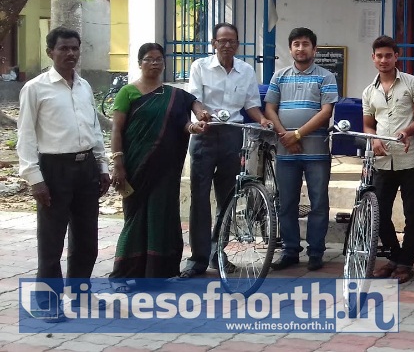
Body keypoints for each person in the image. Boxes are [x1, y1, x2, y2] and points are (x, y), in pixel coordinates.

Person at [17, 27, 110, 318]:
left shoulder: (83, 86)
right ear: (50, 53)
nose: (70, 53)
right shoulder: (36, 88)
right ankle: (47, 303)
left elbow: (94, 129)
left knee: (86, 238)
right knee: (52, 240)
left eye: (74, 48)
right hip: (53, 170)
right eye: (63, 49)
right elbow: (26, 136)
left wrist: (102, 165)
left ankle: (80, 295)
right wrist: (35, 178)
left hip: (86, 169)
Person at [109, 43, 208, 289]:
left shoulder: (173, 95)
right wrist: (118, 163)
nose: (154, 63)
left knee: (162, 216)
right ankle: (123, 274)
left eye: (158, 59)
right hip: (135, 166)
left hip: (165, 169)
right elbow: (117, 129)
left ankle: (160, 273)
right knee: (135, 218)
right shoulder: (128, 93)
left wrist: (196, 123)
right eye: (149, 59)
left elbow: (189, 113)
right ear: (139, 63)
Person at [180, 22, 270, 278]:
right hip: (205, 135)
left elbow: (251, 104)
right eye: (222, 41)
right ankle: (197, 260)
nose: (227, 45)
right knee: (199, 199)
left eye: (232, 41)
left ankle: (218, 254)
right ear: (213, 44)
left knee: (227, 200)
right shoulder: (200, 67)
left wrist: (262, 119)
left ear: (238, 44)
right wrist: (200, 114)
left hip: (233, 136)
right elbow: (194, 98)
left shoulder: (246, 70)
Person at [264, 27, 339, 271]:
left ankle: (316, 252)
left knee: (318, 203)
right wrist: (284, 136)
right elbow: (270, 109)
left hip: (316, 151)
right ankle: (290, 251)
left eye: (305, 44)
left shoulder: (326, 76)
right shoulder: (280, 76)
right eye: (296, 44)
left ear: (314, 49)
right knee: (286, 203)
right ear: (290, 49)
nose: (300, 48)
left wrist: (297, 134)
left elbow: (326, 111)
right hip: (286, 151)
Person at [362, 36, 414, 284]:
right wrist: (374, 139)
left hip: (410, 158)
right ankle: (395, 257)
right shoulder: (369, 91)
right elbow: (368, 125)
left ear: (396, 56)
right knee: (380, 213)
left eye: (388, 55)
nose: (384, 60)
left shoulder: (413, 83)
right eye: (379, 56)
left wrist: (408, 131)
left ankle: (405, 264)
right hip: (382, 160)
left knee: (412, 214)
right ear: (373, 58)